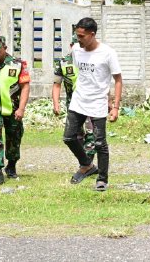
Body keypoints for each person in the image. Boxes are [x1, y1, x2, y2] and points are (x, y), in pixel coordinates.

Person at [62, 17, 122, 192]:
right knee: (69, 137)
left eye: (81, 36)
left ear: (92, 34)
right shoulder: (76, 50)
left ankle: (102, 179)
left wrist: (115, 106)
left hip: (97, 103)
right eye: (77, 35)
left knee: (100, 143)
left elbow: (118, 80)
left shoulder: (108, 53)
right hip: (78, 100)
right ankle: (87, 165)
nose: (78, 39)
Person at [0, 36, 30, 185]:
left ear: (5, 48)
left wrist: (21, 109)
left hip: (13, 108)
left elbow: (25, 87)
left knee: (14, 137)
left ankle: (11, 165)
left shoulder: (18, 65)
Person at [52, 33, 95, 161]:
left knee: (91, 133)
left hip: (90, 103)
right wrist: (56, 103)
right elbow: (57, 84)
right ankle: (84, 161)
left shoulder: (92, 60)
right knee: (75, 135)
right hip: (73, 105)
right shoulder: (63, 63)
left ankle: (88, 161)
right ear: (71, 46)